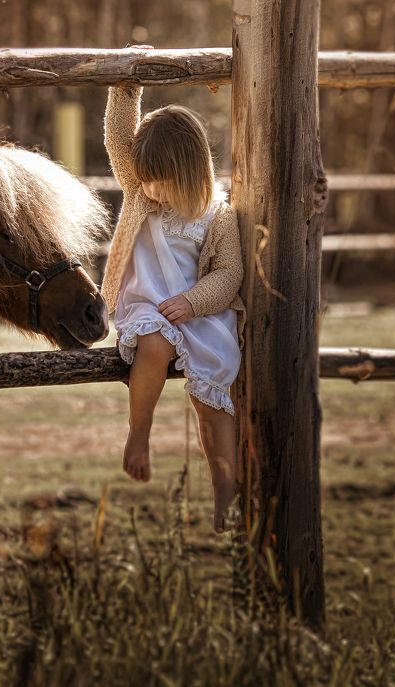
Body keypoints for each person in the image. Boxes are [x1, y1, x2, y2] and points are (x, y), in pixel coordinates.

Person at [100, 80, 246, 532]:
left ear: (187, 173)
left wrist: (192, 301)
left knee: (214, 409)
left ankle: (227, 497)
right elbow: (116, 137)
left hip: (198, 315)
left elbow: (228, 275)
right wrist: (128, 82)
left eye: (157, 181)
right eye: (142, 178)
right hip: (148, 307)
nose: (148, 188)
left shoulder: (218, 215)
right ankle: (138, 436)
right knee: (153, 344)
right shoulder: (140, 194)